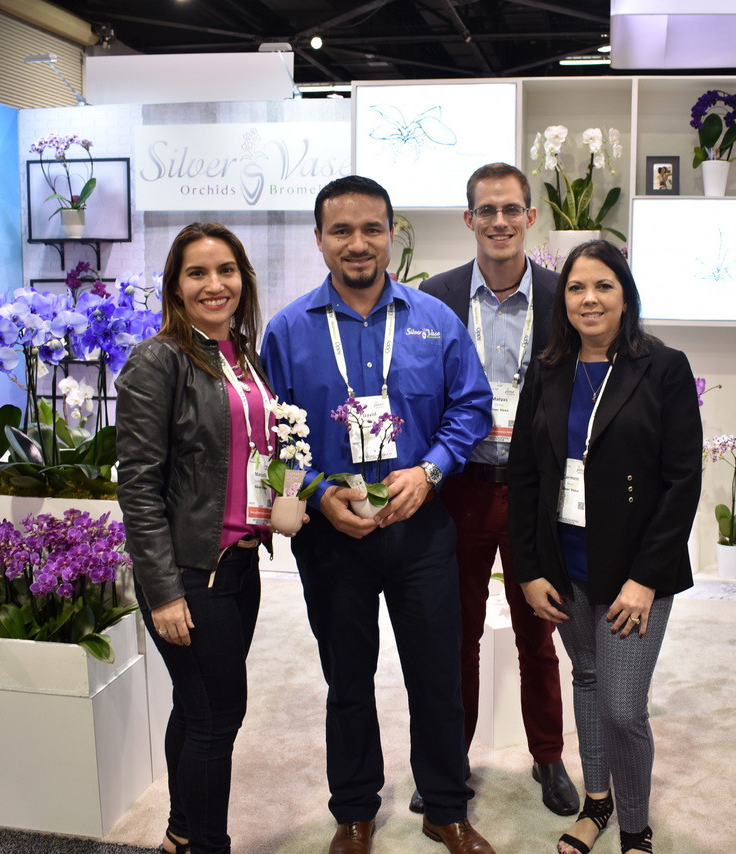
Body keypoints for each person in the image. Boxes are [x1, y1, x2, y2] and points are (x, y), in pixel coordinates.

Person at [261, 175, 497, 854]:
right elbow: (268, 437)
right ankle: (354, 811)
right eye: (341, 230)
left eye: (371, 229)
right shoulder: (287, 331)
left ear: (391, 234)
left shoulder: (435, 320)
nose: (357, 243)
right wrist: (314, 492)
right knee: (347, 679)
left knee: (437, 674)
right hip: (333, 537)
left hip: (419, 529)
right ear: (319, 239)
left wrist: (431, 470)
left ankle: (446, 808)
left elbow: (471, 405)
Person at [507, 240, 701, 854]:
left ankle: (636, 827)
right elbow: (525, 477)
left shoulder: (663, 367)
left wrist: (646, 580)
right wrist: (529, 570)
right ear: (562, 300)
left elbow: (683, 481)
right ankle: (598, 804)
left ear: (625, 296)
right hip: (564, 564)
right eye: (575, 288)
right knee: (587, 680)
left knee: (622, 707)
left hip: (634, 572)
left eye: (603, 286)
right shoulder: (548, 370)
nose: (588, 299)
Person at [117, 222, 293, 854]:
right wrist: (164, 591)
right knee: (217, 719)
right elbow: (139, 487)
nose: (214, 284)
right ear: (175, 286)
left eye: (226, 271)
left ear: (244, 279)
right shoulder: (158, 360)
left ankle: (181, 833)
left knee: (197, 710)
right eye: (197, 273)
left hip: (239, 566)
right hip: (192, 573)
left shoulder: (241, 355)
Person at [418, 162, 579, 817]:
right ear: (469, 219)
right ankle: (448, 762)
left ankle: (548, 756)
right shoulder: (437, 296)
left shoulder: (562, 295)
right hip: (461, 488)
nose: (500, 221)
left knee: (537, 632)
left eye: (512, 209)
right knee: (453, 634)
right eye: (487, 210)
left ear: (530, 217)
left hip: (534, 492)